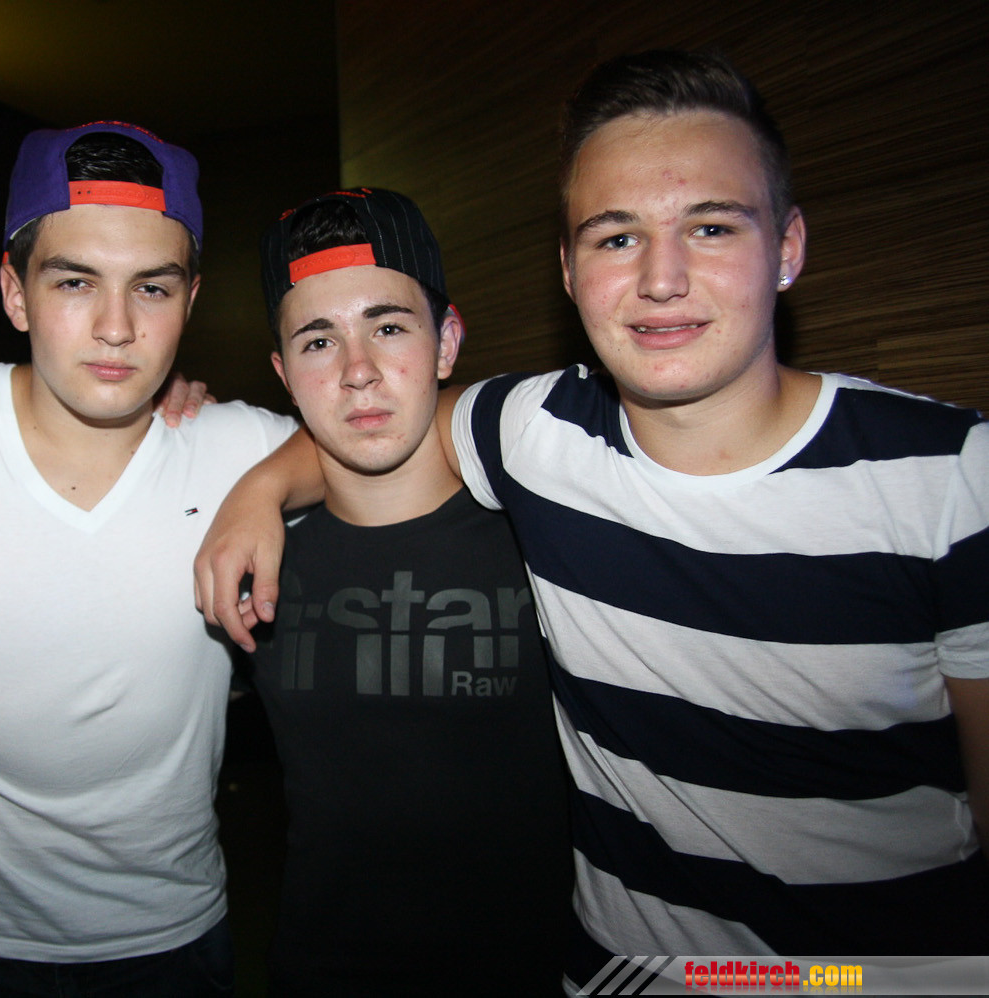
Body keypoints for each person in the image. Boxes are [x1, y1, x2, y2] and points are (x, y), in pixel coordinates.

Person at [195, 50, 989, 993]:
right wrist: (258, 491)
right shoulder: (538, 437)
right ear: (570, 271)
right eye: (617, 238)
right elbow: (367, 420)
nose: (662, 277)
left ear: (787, 247)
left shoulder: (953, 476)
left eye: (710, 226)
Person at [0, 121, 296, 997]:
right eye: (75, 281)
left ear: (190, 300)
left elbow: (412, 442)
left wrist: (271, 483)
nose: (117, 328)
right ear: (15, 292)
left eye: (151, 288)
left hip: (171, 940)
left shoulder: (241, 448)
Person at [249, 187, 569, 995]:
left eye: (389, 327)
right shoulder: (257, 560)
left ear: (446, 342)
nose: (358, 371)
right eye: (319, 341)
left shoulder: (547, 536)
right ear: (285, 374)